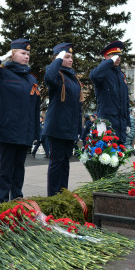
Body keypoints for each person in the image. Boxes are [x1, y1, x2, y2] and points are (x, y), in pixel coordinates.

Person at [0, 38, 41, 203]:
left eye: (28, 53)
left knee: (19, 169)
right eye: (23, 53)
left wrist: (35, 132)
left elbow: (35, 108)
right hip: (8, 130)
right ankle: (2, 202)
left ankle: (17, 199)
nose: (26, 56)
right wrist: (0, 58)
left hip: (25, 131)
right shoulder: (2, 74)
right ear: (13, 54)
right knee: (5, 169)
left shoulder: (32, 79)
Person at [43, 42, 83, 197]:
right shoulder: (56, 74)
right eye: (67, 56)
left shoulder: (73, 79)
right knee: (57, 162)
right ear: (58, 58)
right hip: (57, 128)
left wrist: (78, 130)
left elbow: (77, 107)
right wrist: (58, 60)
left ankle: (63, 193)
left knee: (65, 163)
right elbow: (48, 78)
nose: (71, 59)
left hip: (70, 128)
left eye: (71, 56)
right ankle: (53, 196)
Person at [89, 40, 130, 144]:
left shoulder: (121, 75)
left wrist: (128, 123)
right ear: (107, 57)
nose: (118, 58)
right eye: (114, 55)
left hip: (121, 125)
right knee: (105, 156)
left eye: (119, 55)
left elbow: (125, 102)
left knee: (119, 157)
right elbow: (93, 76)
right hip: (106, 123)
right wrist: (109, 62)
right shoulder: (103, 72)